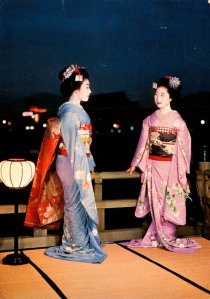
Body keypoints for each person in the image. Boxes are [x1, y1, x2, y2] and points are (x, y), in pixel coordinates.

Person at [25, 64, 106, 263]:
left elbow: (84, 144)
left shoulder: (74, 110)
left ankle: (79, 241)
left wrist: (89, 160)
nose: (90, 90)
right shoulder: (69, 113)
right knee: (74, 203)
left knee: (77, 202)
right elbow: (75, 146)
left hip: (75, 160)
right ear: (76, 87)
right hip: (71, 162)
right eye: (87, 86)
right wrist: (85, 164)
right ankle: (75, 244)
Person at [123, 76, 201, 253]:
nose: (158, 98)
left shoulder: (178, 122)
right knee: (156, 201)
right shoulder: (149, 120)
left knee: (170, 201)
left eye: (163, 95)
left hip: (171, 167)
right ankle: (158, 237)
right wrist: (135, 163)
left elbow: (184, 148)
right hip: (153, 166)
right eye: (156, 94)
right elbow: (143, 143)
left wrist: (183, 171)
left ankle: (168, 236)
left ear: (171, 97)